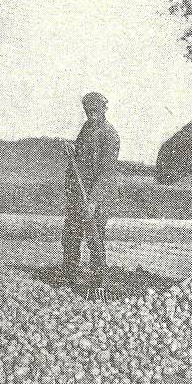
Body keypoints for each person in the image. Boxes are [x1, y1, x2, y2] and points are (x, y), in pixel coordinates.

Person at [61, 92, 120, 293]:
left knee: (95, 240)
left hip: (98, 198)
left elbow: (106, 172)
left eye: (95, 111)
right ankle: (68, 277)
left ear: (104, 109)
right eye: (88, 112)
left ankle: (98, 284)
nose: (92, 115)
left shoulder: (110, 135)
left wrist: (93, 201)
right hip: (79, 193)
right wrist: (72, 151)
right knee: (70, 235)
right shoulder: (86, 129)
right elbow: (80, 156)